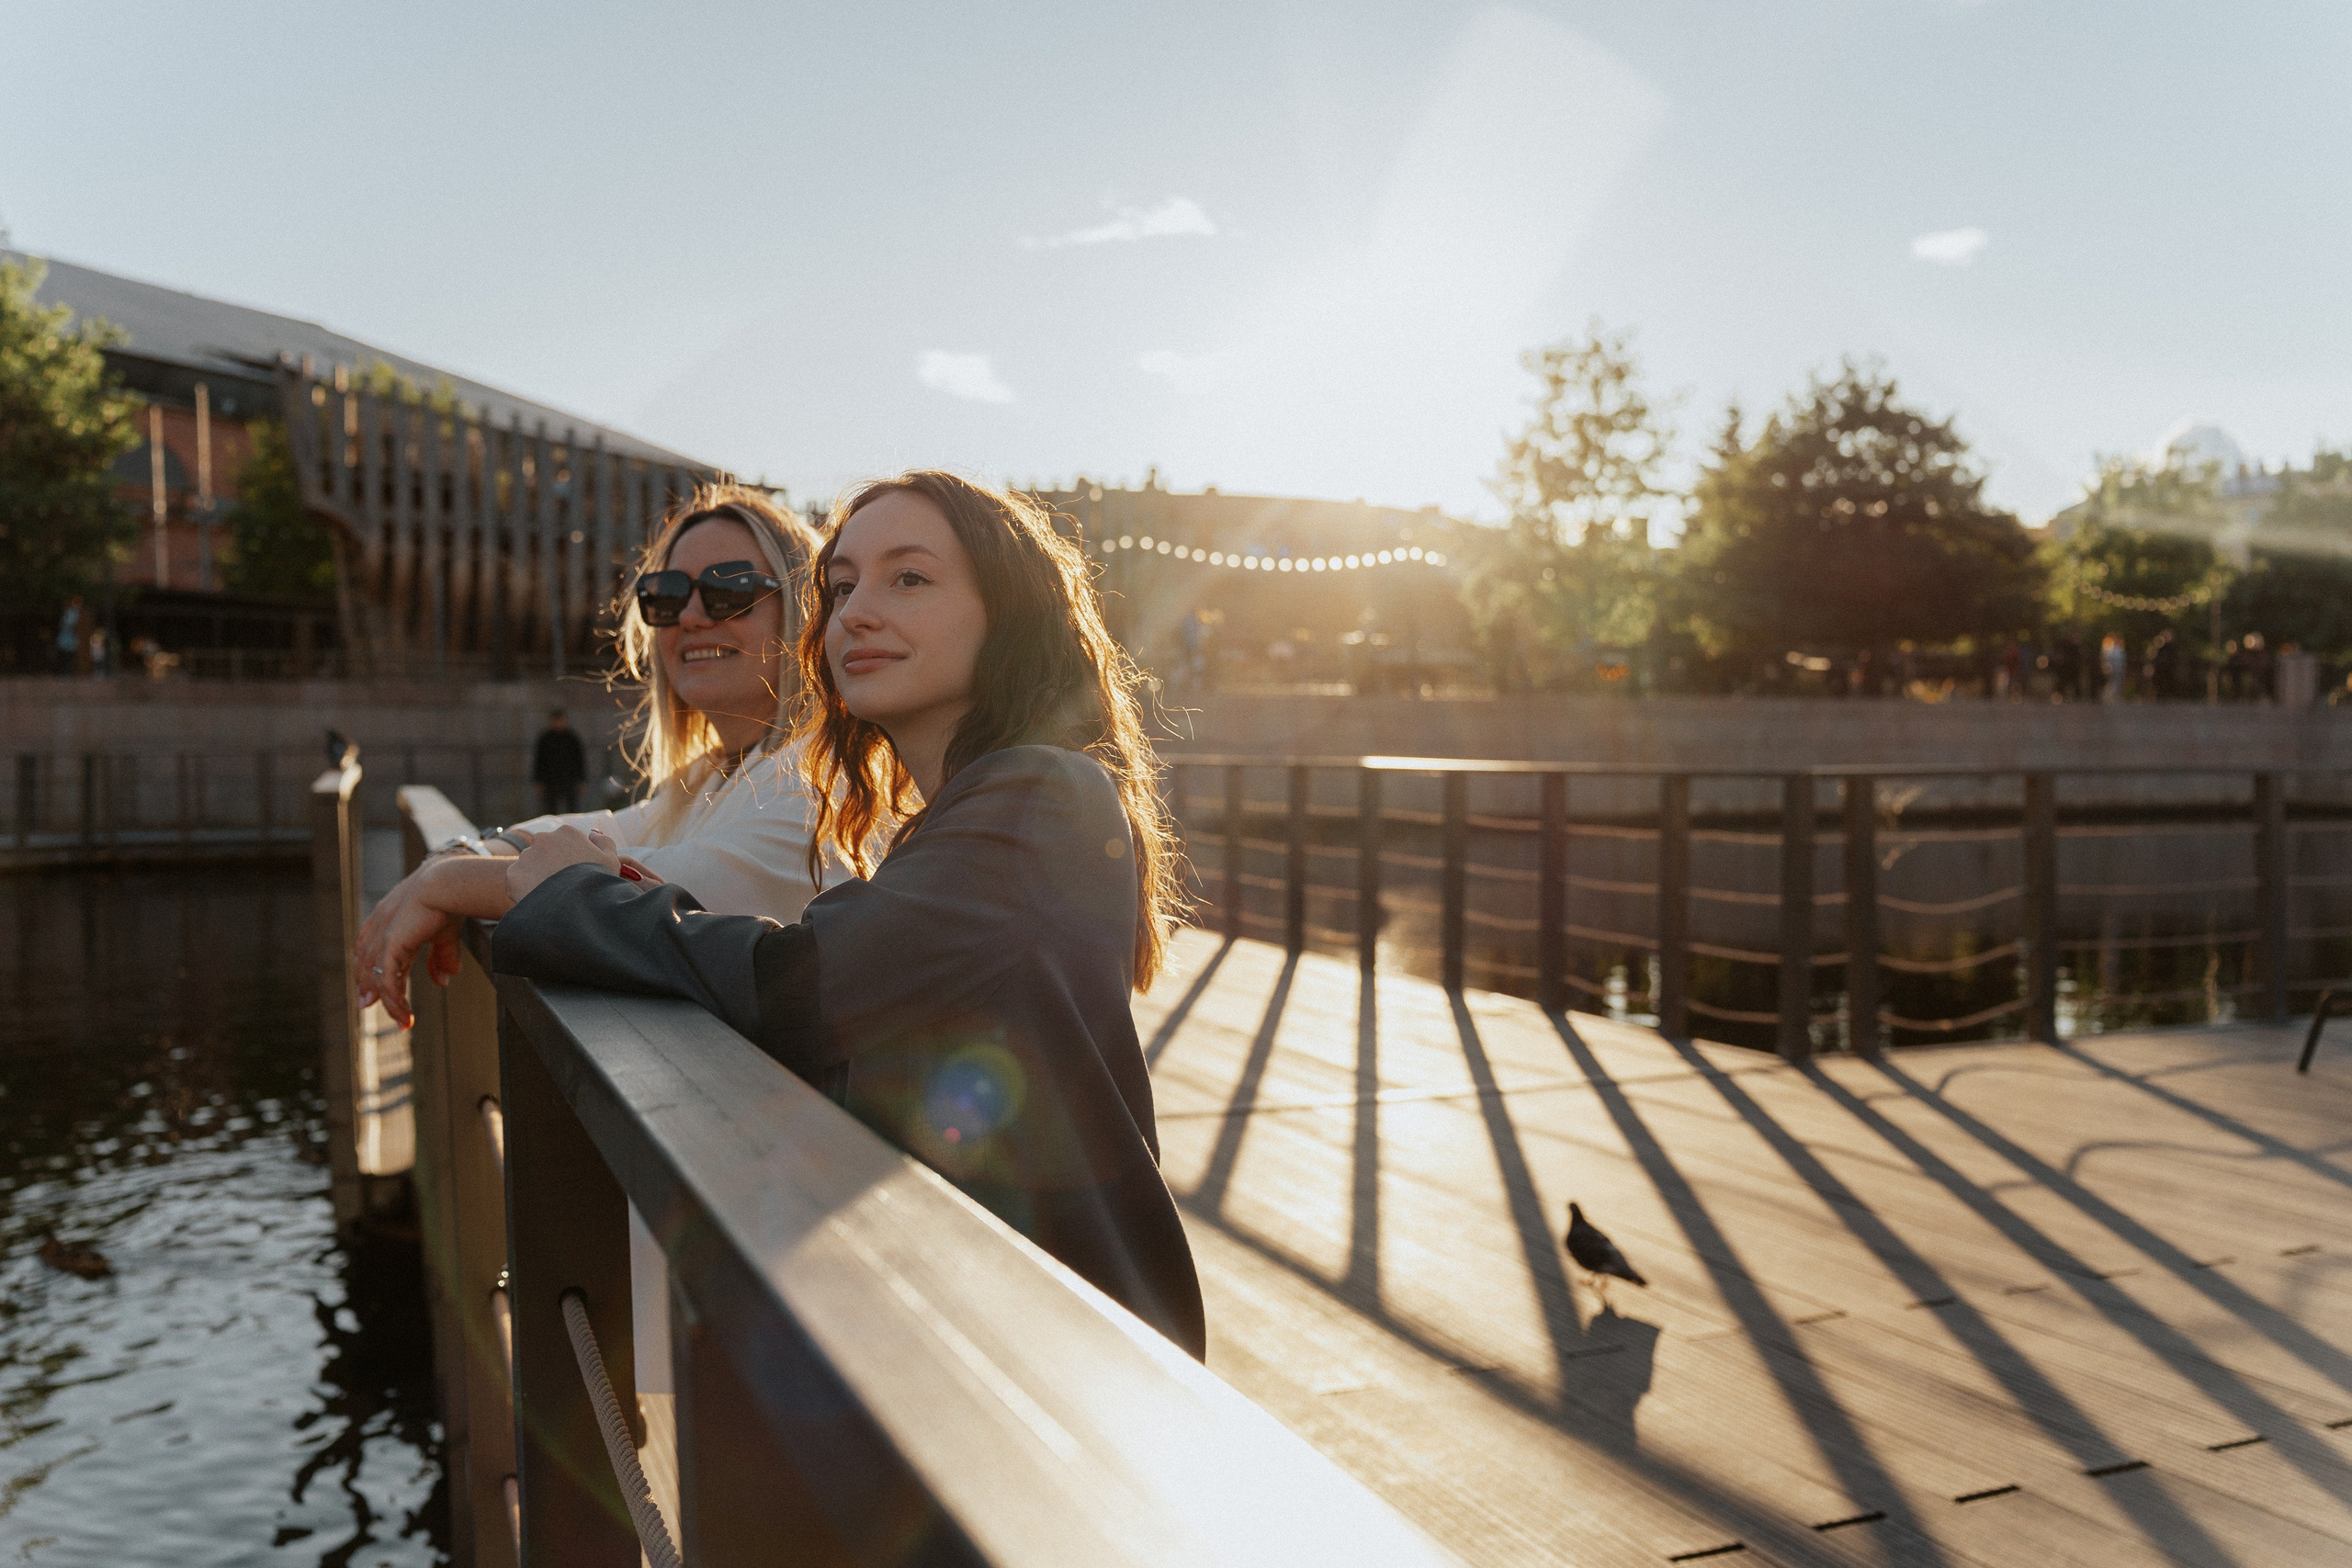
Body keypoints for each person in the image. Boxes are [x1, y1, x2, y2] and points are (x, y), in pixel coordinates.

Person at [489, 470, 1208, 1357]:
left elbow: (802, 984)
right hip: (994, 1326)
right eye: (840, 588)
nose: (856, 613)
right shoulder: (961, 811)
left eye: (909, 578)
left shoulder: (1040, 794)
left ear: (1007, 614)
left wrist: (576, 899)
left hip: (1074, 1362)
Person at [354, 485, 824, 1017]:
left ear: (805, 609)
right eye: (666, 595)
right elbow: (596, 833)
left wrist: (442, 881)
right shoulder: (713, 776)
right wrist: (471, 853)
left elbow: (636, 889)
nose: (690, 616)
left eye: (731, 589)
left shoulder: (821, 783)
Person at [531, 706, 588, 815]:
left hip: (569, 779)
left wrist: (582, 780)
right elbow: (539, 761)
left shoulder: (572, 738)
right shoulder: (545, 739)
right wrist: (538, 781)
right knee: (551, 811)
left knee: (572, 811)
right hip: (550, 781)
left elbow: (579, 760)